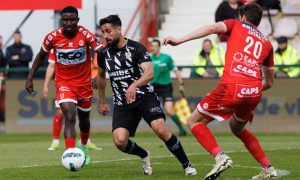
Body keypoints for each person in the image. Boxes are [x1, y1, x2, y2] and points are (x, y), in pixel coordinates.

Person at [164, 3, 277, 179]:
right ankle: (268, 168)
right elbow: (269, 82)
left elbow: (212, 28)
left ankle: (220, 157)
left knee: (194, 121)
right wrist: (249, 90)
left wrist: (179, 40)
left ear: (244, 18)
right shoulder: (267, 43)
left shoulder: (236, 24)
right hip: (254, 91)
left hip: (232, 86)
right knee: (237, 128)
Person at [97, 14, 197, 176]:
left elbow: (150, 73)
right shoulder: (102, 54)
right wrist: (102, 101)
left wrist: (134, 85)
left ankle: (187, 165)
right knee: (120, 141)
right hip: (122, 102)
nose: (106, 36)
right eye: (103, 32)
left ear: (119, 29)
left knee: (161, 129)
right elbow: (100, 76)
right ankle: (144, 154)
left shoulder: (136, 48)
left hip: (144, 96)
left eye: (108, 31)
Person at [25, 6, 105, 165]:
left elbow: (101, 52)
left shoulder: (85, 34)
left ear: (78, 20)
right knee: (69, 116)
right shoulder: (52, 37)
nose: (69, 23)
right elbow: (41, 56)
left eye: (72, 19)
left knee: (84, 120)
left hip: (84, 84)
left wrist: (97, 74)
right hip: (64, 83)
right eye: (65, 19)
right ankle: (71, 155)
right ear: (61, 20)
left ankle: (83, 147)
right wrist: (30, 77)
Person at [43, 50, 101, 151]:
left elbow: (93, 63)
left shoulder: (85, 40)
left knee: (84, 115)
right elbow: (51, 65)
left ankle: (86, 142)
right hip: (65, 82)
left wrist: (94, 76)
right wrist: (46, 85)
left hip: (83, 83)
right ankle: (55, 141)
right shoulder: (56, 43)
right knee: (62, 112)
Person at [150, 39, 187, 136]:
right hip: (154, 87)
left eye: (155, 46)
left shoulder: (167, 58)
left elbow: (176, 71)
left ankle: (182, 129)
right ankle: (163, 131)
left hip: (166, 87)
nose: (153, 47)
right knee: (156, 111)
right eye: (152, 46)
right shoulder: (149, 58)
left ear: (159, 47)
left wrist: (181, 84)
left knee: (169, 110)